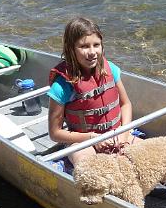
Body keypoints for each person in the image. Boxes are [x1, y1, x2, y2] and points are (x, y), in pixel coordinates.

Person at [47, 17, 134, 165]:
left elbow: (126, 105)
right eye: (84, 46)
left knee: (151, 158)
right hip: (82, 141)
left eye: (96, 45)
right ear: (70, 49)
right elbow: (55, 133)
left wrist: (123, 134)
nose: (92, 52)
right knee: (92, 169)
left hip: (116, 133)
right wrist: (92, 138)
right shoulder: (62, 86)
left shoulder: (110, 69)